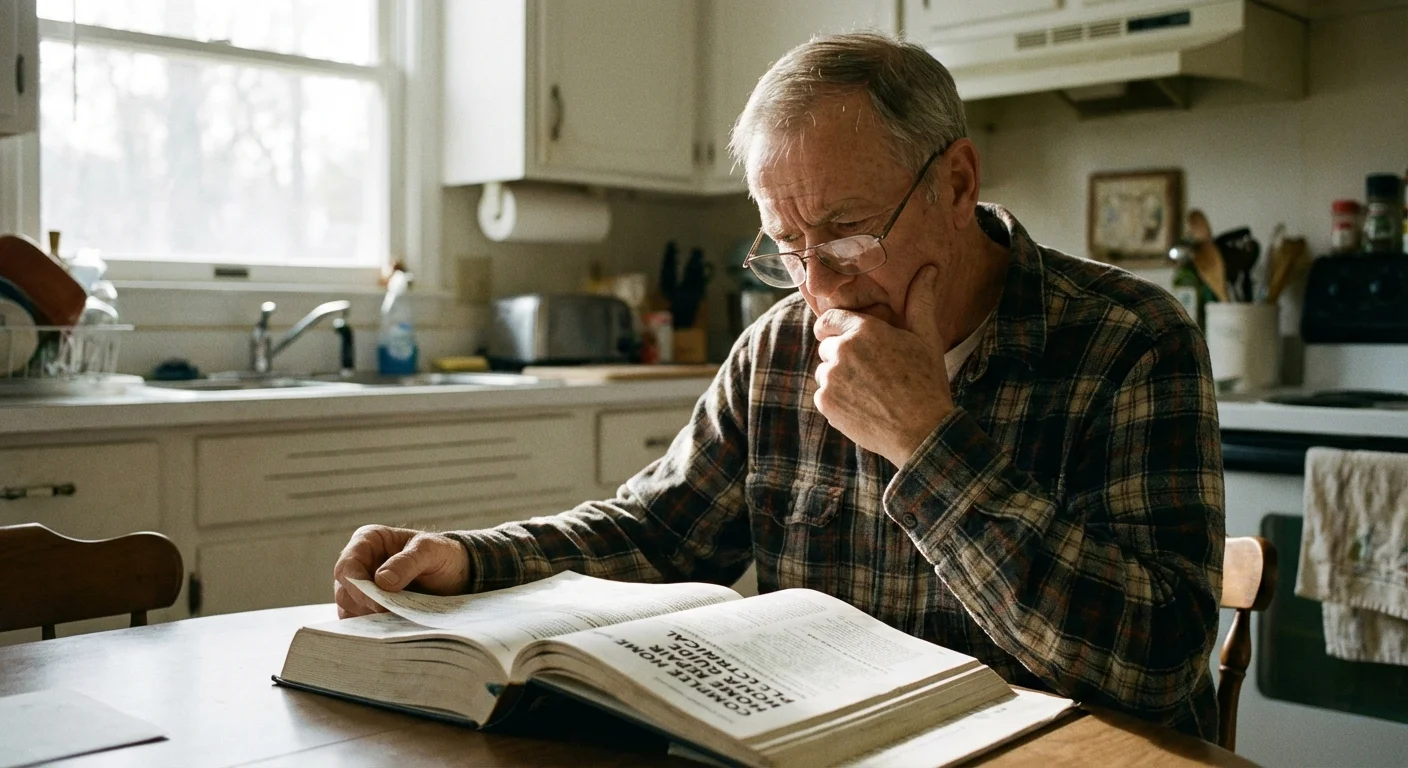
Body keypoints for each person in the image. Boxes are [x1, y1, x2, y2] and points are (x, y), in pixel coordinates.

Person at [335, 32, 1225, 741]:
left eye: (845, 233)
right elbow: (658, 533)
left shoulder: (1132, 341)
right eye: (787, 248)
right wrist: (472, 559)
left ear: (956, 183)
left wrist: (928, 443)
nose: (820, 289)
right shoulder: (780, 351)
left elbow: (1158, 664)